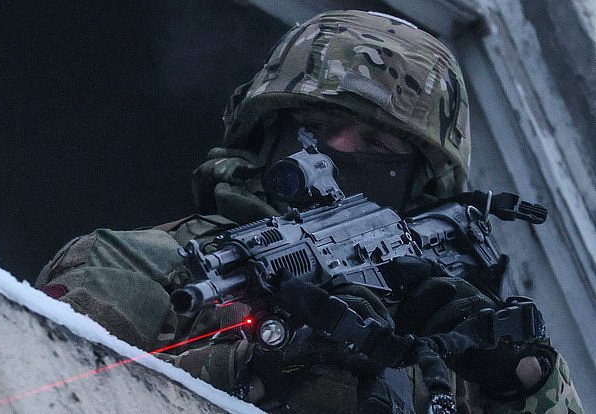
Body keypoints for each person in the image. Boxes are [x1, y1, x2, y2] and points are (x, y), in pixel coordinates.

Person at [35, 10, 583, 413]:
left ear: (417, 186)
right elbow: (44, 387)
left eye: (376, 144)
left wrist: (520, 378)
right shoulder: (135, 264)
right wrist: (251, 373)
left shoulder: (443, 335)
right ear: (267, 134)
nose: (336, 152)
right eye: (316, 127)